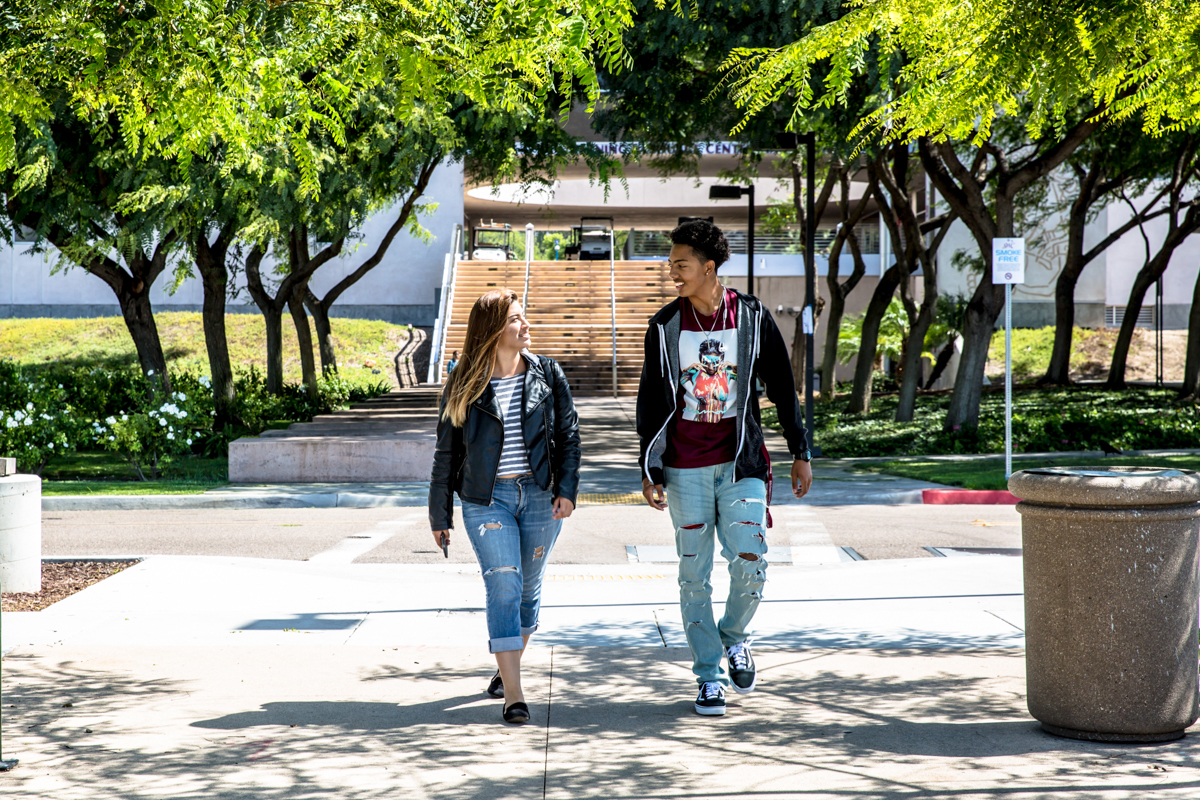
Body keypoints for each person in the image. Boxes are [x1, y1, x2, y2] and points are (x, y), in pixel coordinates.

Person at [637, 219, 812, 717]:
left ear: (709, 268)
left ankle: (734, 637)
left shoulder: (752, 316)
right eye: (671, 263)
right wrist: (648, 467)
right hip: (684, 468)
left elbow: (781, 383)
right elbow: (651, 400)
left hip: (742, 464)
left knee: (751, 560)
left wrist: (800, 450)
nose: (672, 272)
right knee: (694, 577)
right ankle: (709, 675)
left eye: (681, 264)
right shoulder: (665, 325)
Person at [429, 289, 581, 725]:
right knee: (504, 587)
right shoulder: (464, 381)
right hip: (485, 499)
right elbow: (446, 453)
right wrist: (439, 516)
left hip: (539, 495)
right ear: (495, 330)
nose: (526, 325)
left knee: (529, 590)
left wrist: (566, 489)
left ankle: (503, 666)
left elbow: (569, 436)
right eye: (517, 319)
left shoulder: (548, 373)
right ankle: (513, 693)